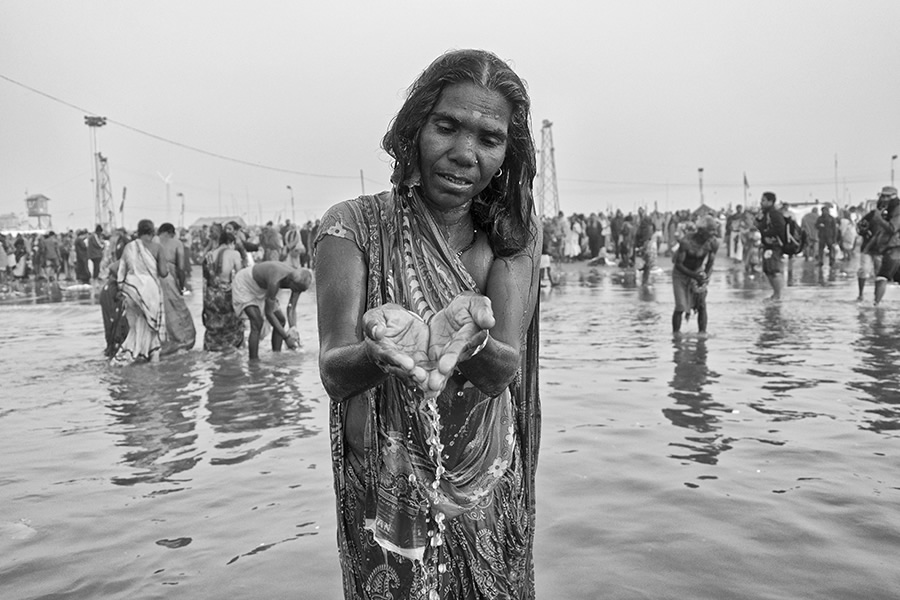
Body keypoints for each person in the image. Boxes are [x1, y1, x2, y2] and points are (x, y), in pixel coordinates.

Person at [315, 49, 542, 600]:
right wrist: (378, 353)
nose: (464, 154)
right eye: (447, 127)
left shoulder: (512, 234)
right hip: (386, 484)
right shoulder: (352, 227)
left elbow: (503, 370)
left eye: (489, 139)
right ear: (416, 127)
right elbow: (333, 371)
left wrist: (473, 340)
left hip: (486, 481)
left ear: (506, 153)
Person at [231, 261, 311, 360]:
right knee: (257, 322)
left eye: (300, 291)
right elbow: (269, 313)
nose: (297, 292)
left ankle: (276, 355)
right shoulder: (275, 281)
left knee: (281, 320)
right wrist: (286, 338)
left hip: (263, 289)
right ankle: (254, 362)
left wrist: (293, 330)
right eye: (296, 289)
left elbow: (291, 307)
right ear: (291, 282)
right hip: (245, 284)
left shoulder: (297, 280)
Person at [114, 219, 168, 363]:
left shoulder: (129, 247)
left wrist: (121, 289)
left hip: (131, 292)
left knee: (135, 328)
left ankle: (136, 355)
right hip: (150, 293)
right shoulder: (157, 248)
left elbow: (121, 272)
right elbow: (164, 272)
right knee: (151, 329)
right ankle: (145, 358)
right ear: (152, 232)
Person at [672, 216, 719, 334]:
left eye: (715, 229)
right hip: (680, 274)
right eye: (711, 230)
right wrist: (694, 276)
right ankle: (676, 335)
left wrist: (705, 278)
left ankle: (702, 334)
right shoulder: (686, 242)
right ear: (702, 231)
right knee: (680, 307)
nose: (715, 233)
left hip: (697, 271)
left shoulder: (712, 243)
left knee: (702, 305)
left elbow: (710, 263)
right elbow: (678, 264)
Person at [202, 228, 245, 351]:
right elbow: (240, 276)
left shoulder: (209, 255)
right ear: (231, 242)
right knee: (232, 325)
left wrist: (204, 305)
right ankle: (231, 352)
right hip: (227, 296)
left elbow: (205, 281)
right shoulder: (234, 254)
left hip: (211, 296)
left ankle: (213, 351)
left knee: (214, 327)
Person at [157, 222, 196, 353]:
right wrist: (181, 286)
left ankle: (157, 345)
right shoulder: (176, 243)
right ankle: (182, 341)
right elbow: (181, 268)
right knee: (177, 309)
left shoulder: (152, 242)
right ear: (171, 233)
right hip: (168, 280)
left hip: (151, 280)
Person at [856, 187, 895, 301]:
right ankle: (861, 294)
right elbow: (860, 226)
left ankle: (876, 299)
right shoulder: (872, 215)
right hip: (868, 248)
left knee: (880, 275)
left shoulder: (893, 217)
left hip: (882, 249)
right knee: (865, 270)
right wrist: (865, 231)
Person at [756, 191, 786, 300]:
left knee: (774, 270)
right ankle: (775, 294)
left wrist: (765, 233)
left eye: (763, 200)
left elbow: (780, 229)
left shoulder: (774, 214)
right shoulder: (765, 214)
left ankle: (777, 295)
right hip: (767, 245)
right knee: (768, 270)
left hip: (774, 246)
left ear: (770, 202)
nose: (761, 202)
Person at [874, 188, 900, 305]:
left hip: (895, 248)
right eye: (883, 196)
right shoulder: (887, 210)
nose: (884, 199)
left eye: (887, 197)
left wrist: (879, 219)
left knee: (882, 277)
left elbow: (892, 228)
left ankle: (876, 305)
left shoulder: (897, 210)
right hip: (889, 247)